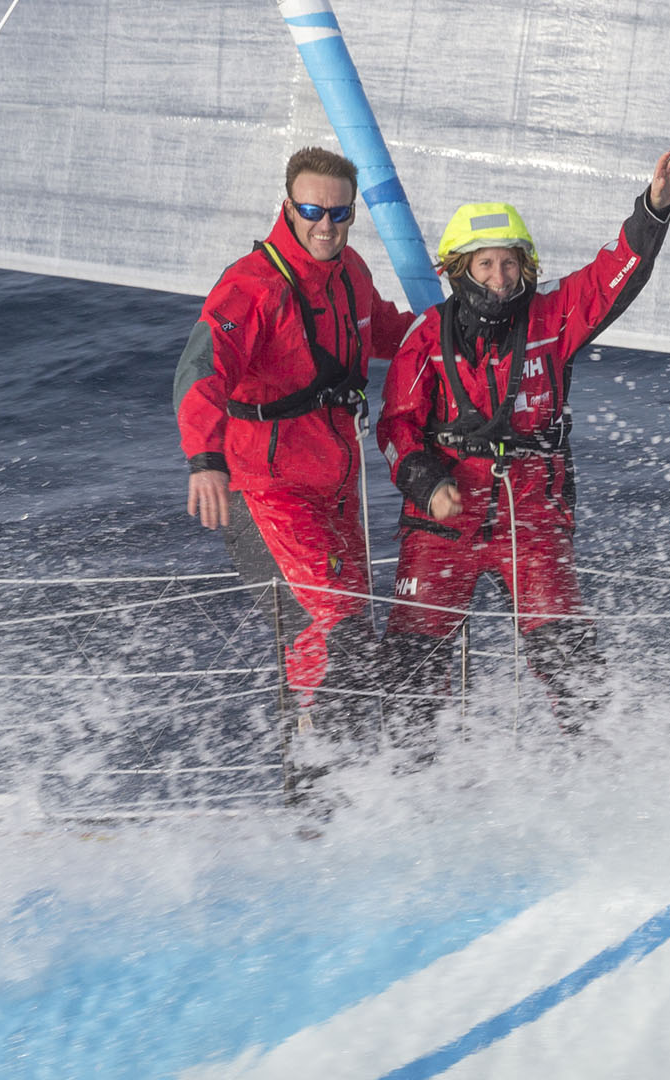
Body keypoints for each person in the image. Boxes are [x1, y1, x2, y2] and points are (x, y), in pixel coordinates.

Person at [376, 147, 670, 736]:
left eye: (510, 265)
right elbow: (394, 427)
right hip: (443, 524)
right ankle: (403, 798)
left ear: (527, 268)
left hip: (533, 523)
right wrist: (426, 482)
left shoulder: (551, 321)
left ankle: (594, 784)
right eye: (486, 265)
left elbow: (612, 278)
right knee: (410, 674)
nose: (500, 278)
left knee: (573, 666)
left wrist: (655, 209)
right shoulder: (425, 339)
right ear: (458, 271)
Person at [173, 146, 413, 751]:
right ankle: (315, 785)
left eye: (339, 213)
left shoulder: (351, 272)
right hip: (267, 494)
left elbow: (387, 331)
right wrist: (204, 459)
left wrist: (464, 320)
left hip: (336, 493)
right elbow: (201, 368)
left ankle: (349, 792)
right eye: (312, 210)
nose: (325, 225)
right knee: (339, 634)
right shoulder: (250, 288)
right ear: (288, 206)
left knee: (354, 639)